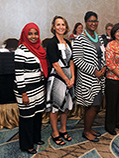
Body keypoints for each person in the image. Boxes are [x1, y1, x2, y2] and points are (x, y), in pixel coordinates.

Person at [14, 23, 48, 154]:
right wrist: (23, 94)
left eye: (35, 33)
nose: (33, 36)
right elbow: (19, 75)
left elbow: (41, 70)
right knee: (27, 117)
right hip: (26, 90)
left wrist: (43, 86)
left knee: (37, 115)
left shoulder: (39, 48)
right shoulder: (20, 51)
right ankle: (26, 144)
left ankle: (35, 138)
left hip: (38, 88)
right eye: (30, 33)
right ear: (25, 35)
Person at [73, 11, 106, 142]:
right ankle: (86, 131)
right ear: (86, 22)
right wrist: (94, 71)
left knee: (96, 105)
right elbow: (77, 60)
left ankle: (89, 128)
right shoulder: (80, 38)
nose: (94, 23)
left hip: (100, 77)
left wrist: (103, 67)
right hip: (88, 79)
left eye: (95, 21)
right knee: (93, 105)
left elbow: (103, 54)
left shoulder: (99, 38)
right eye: (91, 21)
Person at [46, 16, 75, 146]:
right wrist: (66, 79)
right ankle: (55, 132)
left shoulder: (68, 43)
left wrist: (73, 77)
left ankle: (63, 129)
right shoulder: (51, 43)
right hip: (58, 78)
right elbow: (55, 64)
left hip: (69, 77)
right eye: (58, 24)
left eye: (63, 24)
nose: (61, 27)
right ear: (53, 27)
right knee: (55, 107)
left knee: (66, 106)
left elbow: (71, 61)